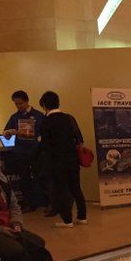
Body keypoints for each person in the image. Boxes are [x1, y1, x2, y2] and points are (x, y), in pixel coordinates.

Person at [0, 146, 51, 261]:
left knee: (37, 243)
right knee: (15, 249)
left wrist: (16, 223)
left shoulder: (3, 184)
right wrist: (0, 229)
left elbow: (14, 207)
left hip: (6, 226)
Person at [39, 91, 87, 228]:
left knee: (61, 190)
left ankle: (67, 220)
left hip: (57, 161)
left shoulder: (46, 122)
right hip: (72, 159)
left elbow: (45, 145)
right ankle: (82, 216)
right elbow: (79, 139)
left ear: (44, 105)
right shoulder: (68, 118)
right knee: (76, 188)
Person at [3, 90, 46, 211]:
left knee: (40, 177)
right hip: (20, 152)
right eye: (16, 104)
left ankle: (44, 202)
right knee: (24, 179)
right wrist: (8, 133)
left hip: (36, 152)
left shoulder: (38, 116)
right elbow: (6, 133)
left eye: (20, 103)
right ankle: (29, 204)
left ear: (27, 101)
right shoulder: (14, 117)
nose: (19, 106)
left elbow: (44, 135)